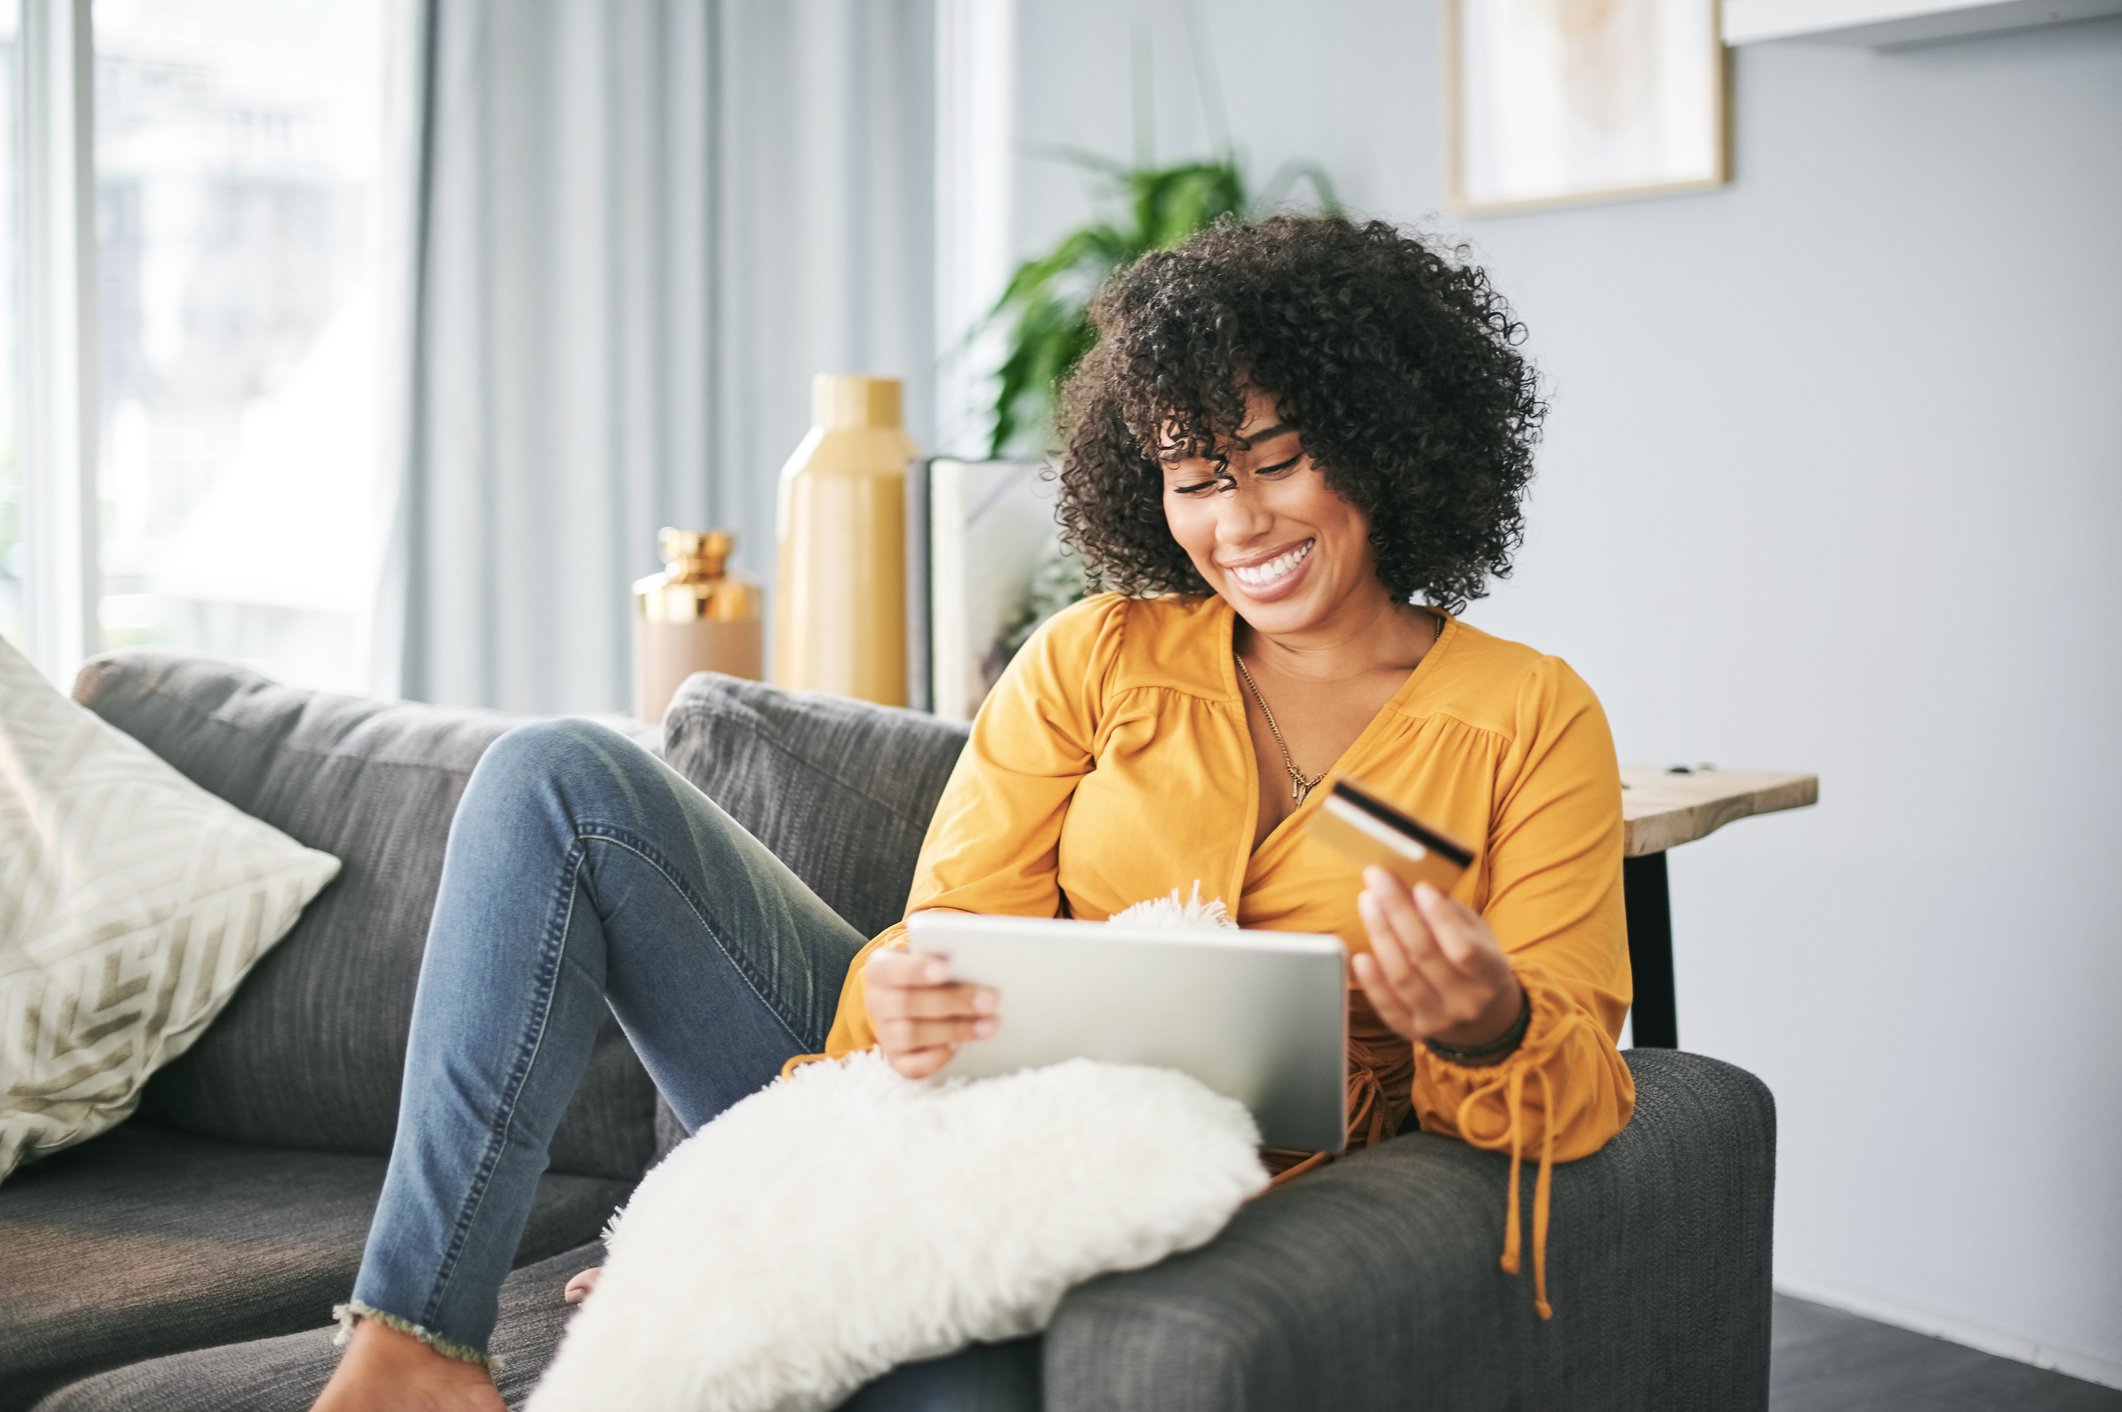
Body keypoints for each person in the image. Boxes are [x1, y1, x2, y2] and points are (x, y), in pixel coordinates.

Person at [311, 212, 1633, 1412]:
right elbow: (941, 939)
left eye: (1275, 463)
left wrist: (1487, 1026)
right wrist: (884, 1022)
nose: (1236, 524)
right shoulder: (1093, 655)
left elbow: (1572, 1096)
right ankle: (416, 1342)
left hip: (1149, 1189)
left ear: (1385, 440)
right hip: (941, 1111)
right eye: (1192, 476)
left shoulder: (1530, 719)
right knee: (561, 778)